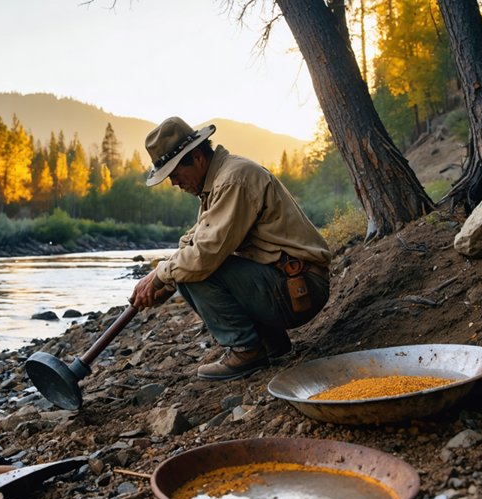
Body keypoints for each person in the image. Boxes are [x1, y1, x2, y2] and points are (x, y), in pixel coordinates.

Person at [130, 116, 331, 381]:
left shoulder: (232, 181)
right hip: (287, 283)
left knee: (194, 270)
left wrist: (161, 276)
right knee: (181, 270)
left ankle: (247, 350)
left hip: (301, 289)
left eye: (176, 175)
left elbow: (203, 256)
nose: (174, 184)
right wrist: (164, 284)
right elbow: (192, 242)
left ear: (198, 158)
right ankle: (271, 344)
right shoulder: (216, 183)